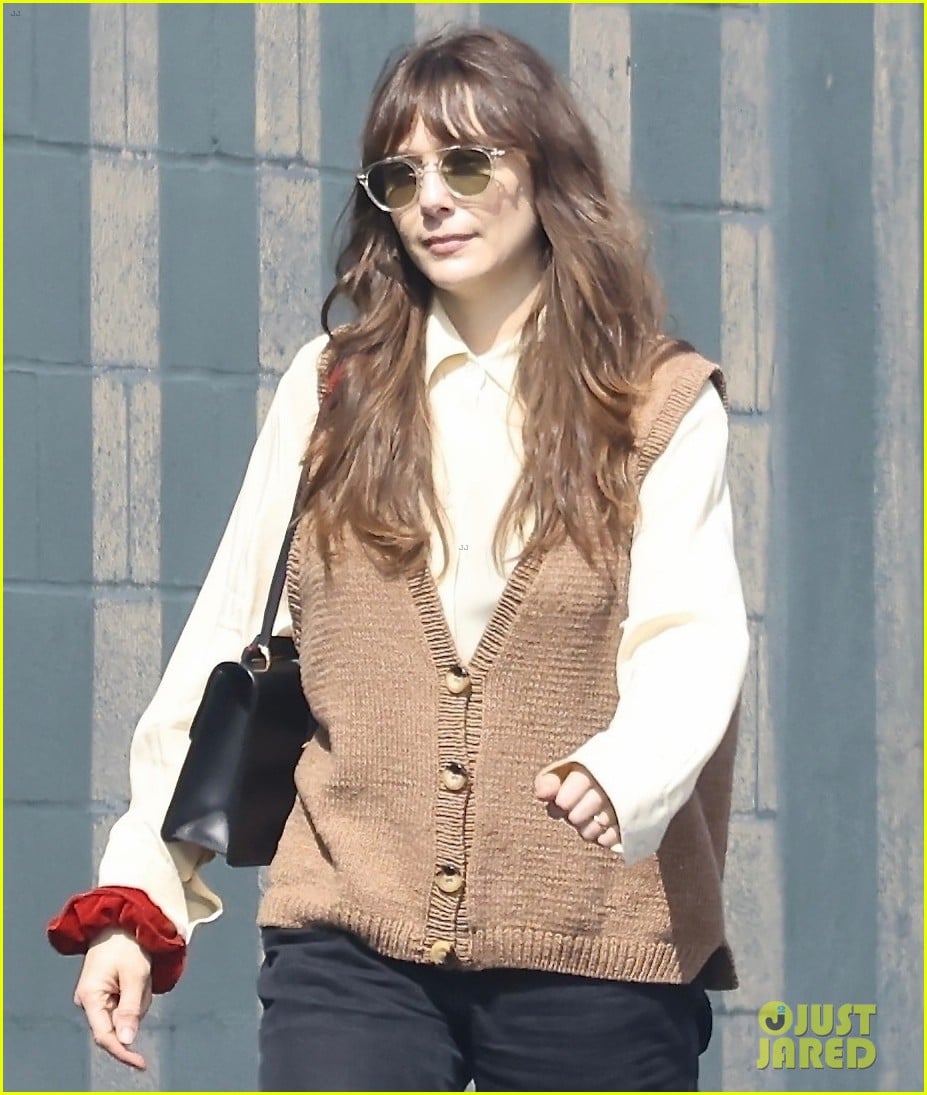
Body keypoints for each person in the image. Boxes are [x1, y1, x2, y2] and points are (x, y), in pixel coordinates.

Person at [49, 26, 749, 1092]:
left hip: (595, 944)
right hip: (350, 940)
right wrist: (138, 899)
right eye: (400, 175)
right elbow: (227, 643)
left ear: (545, 171)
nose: (431, 199)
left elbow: (691, 638)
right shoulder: (332, 388)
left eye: (465, 164)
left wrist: (625, 769)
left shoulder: (656, 401)